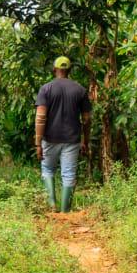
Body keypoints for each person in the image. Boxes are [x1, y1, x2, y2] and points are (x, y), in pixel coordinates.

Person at [34, 56, 91, 213]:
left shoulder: (46, 89)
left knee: (47, 170)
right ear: (69, 71)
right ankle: (66, 212)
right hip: (72, 140)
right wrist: (85, 140)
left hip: (49, 139)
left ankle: (52, 205)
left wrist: (38, 143)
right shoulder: (80, 89)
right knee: (69, 174)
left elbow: (40, 117)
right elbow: (86, 119)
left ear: (54, 70)